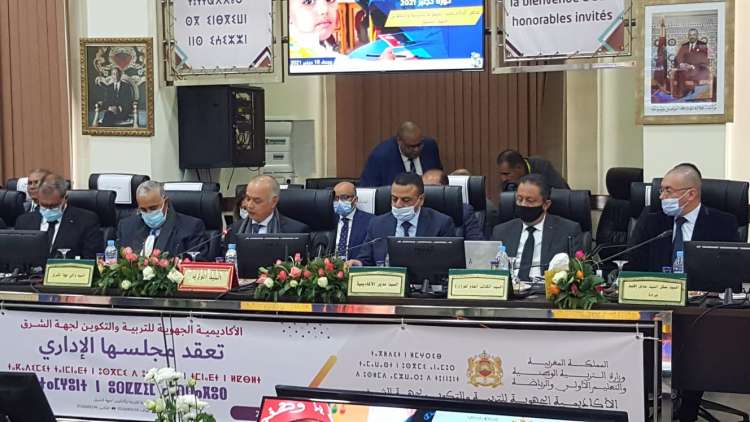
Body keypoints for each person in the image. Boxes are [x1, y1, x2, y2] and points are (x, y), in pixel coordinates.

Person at [628, 163, 738, 273]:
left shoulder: (724, 224)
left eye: (668, 191)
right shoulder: (651, 221)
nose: (661, 196)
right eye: (661, 190)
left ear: (691, 194)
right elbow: (633, 265)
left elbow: (730, 270)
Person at [350, 172, 455, 266]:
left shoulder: (441, 224)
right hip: (388, 280)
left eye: (406, 200)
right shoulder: (377, 224)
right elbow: (366, 260)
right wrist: (358, 263)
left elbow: (448, 263)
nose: (398, 204)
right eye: (394, 199)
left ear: (421, 199)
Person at [491, 174, 582, 281]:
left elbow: (576, 273)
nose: (523, 204)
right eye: (519, 199)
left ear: (546, 205)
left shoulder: (568, 231)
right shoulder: (501, 231)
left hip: (545, 289)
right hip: (510, 288)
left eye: (530, 201)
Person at [15, 175, 103, 259]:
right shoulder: (24, 222)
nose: (48, 209)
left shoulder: (86, 221)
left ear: (65, 198)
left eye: (53, 206)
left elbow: (91, 259)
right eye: (44, 205)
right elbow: (17, 257)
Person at [116, 180, 207, 259]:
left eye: (153, 208)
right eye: (143, 210)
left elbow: (197, 265)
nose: (149, 213)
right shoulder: (126, 227)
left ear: (165, 203)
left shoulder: (191, 227)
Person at [359, 121, 443, 187]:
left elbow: (440, 178)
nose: (417, 149)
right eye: (411, 147)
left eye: (419, 145)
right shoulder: (381, 157)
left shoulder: (430, 147)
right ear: (399, 141)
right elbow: (369, 190)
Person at [227, 175, 310, 241]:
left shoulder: (296, 232)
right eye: (248, 199)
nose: (249, 205)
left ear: (273, 202)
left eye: (257, 201)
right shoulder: (233, 230)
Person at [422, 169, 484, 240]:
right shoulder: (417, 210)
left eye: (431, 187)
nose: (427, 192)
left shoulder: (463, 211)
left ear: (445, 188)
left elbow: (476, 242)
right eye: (424, 188)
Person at [332, 181, 373, 259]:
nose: (339, 202)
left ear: (355, 200)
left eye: (344, 197)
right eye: (336, 198)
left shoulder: (371, 221)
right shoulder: (327, 220)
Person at [496, 149, 569, 192]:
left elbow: (564, 192)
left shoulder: (541, 166)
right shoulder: (507, 182)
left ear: (519, 167)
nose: (503, 179)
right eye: (501, 174)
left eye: (507, 174)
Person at [673, 28, 711, 99]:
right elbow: (678, 58)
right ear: (688, 36)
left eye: (694, 35)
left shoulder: (702, 45)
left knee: (693, 72)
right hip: (686, 69)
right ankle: (681, 93)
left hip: (698, 68)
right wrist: (681, 64)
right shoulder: (684, 45)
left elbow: (704, 59)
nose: (692, 36)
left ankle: (691, 92)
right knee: (679, 72)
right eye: (690, 35)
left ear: (697, 36)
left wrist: (692, 66)